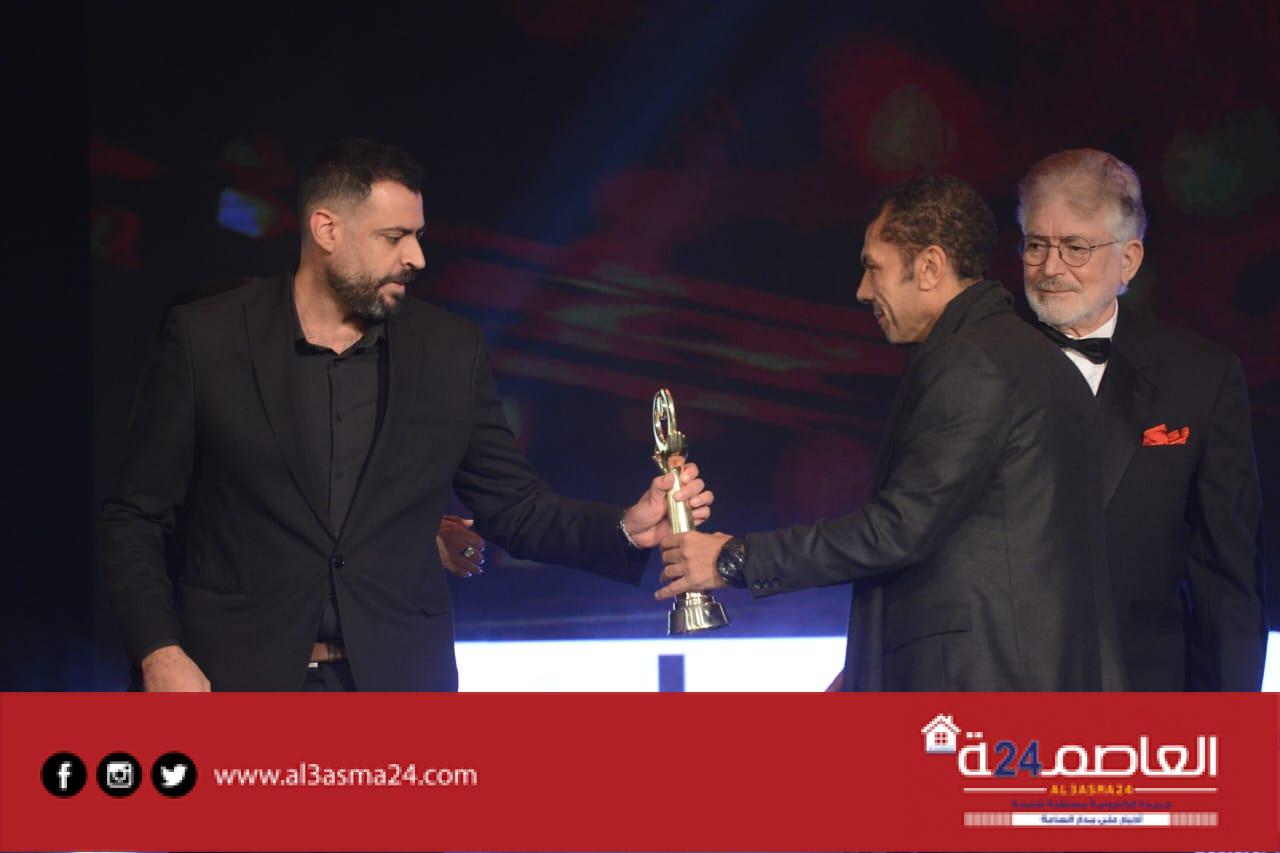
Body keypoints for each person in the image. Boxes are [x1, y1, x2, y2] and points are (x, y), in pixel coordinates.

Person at [99, 138, 714, 692]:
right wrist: (159, 652)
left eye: (418, 236)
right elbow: (135, 516)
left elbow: (516, 507)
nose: (417, 257)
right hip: (231, 682)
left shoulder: (449, 351)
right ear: (326, 229)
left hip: (397, 684)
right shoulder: (208, 338)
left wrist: (625, 528)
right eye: (394, 237)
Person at [657, 175, 1122, 691]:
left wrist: (735, 559)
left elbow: (900, 529)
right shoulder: (1034, 360)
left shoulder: (972, 362)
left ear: (929, 267)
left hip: (977, 691)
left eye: (873, 267)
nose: (862, 291)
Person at [1016, 148, 1267, 690]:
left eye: (1076, 247)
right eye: (1036, 245)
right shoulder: (975, 363)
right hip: (993, 701)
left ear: (1128, 261)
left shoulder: (1199, 377)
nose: (1051, 268)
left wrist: (1234, 729)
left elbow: (1226, 580)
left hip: (1143, 697)